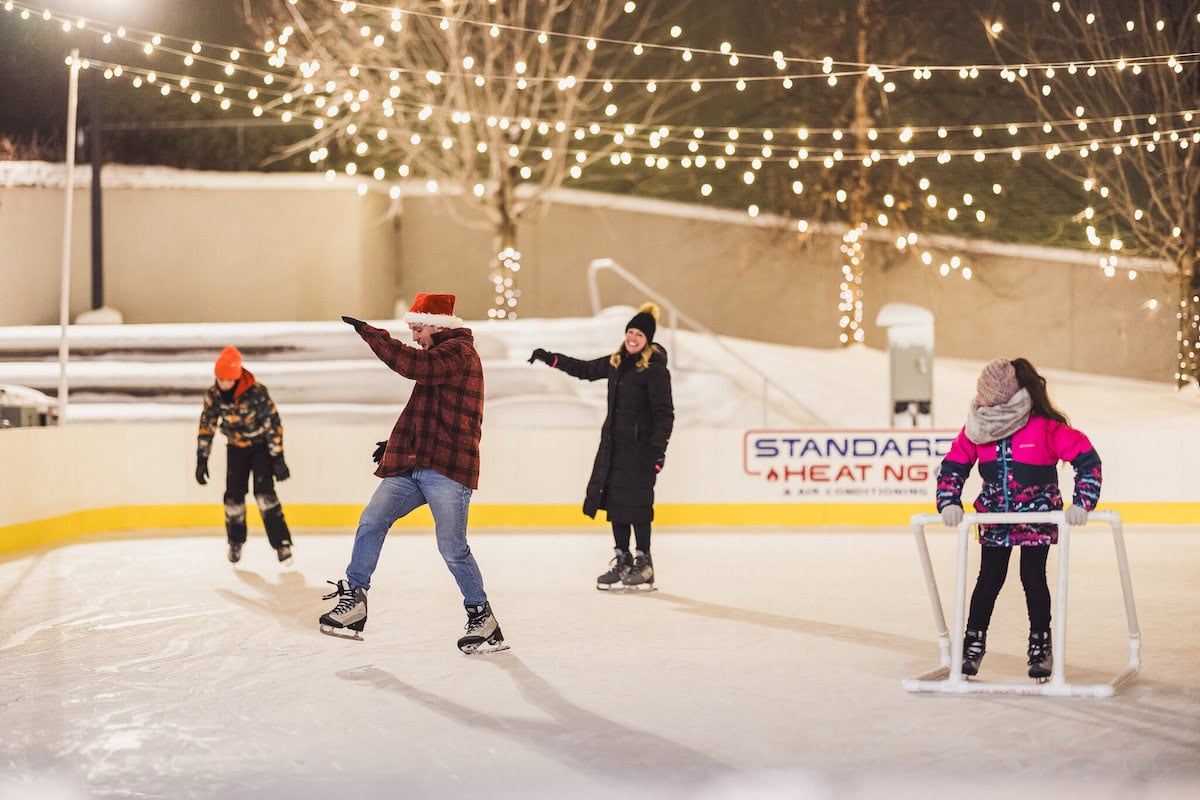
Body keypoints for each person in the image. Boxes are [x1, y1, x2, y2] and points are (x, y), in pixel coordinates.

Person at [319, 294, 506, 654]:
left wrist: (373, 334)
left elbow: (413, 366)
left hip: (448, 467)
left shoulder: (459, 353)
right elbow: (427, 411)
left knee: (452, 548)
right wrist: (394, 445)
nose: (415, 337)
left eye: (418, 329)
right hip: (414, 465)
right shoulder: (440, 356)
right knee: (372, 520)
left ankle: (482, 616)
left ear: (438, 325)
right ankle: (355, 600)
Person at [936, 358, 1102, 680]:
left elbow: (1087, 459)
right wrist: (948, 501)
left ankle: (1040, 646)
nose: (979, 399)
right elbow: (954, 465)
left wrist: (1083, 502)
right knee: (989, 579)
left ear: (1002, 397)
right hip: (996, 516)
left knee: (1033, 577)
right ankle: (973, 644)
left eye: (985, 394)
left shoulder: (1043, 427)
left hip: (1037, 518)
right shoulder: (979, 426)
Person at [528, 302, 674, 591]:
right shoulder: (617, 362)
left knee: (638, 506)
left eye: (640, 335)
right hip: (614, 448)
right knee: (616, 506)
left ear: (648, 340)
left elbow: (664, 413)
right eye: (630, 332)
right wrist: (551, 359)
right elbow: (584, 369)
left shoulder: (655, 370)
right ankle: (623, 561)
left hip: (642, 452)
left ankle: (644, 564)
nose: (633, 338)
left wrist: (658, 450)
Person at [196, 345, 294, 565]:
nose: (223, 383)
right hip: (236, 449)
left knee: (264, 495)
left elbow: (273, 424)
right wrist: (202, 459)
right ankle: (235, 541)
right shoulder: (213, 395)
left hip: (261, 448)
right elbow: (206, 426)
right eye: (220, 378)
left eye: (227, 379)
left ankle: (282, 543)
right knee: (233, 498)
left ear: (236, 377)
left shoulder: (257, 393)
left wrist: (278, 457)